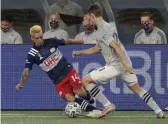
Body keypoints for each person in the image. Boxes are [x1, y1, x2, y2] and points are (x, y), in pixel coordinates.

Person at [73, 4, 165, 118]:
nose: (88, 21)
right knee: (137, 89)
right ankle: (159, 111)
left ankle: (107, 105)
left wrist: (125, 65)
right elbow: (98, 48)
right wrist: (80, 53)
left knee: (85, 81)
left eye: (89, 18)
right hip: (123, 62)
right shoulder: (108, 26)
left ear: (92, 16)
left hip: (115, 65)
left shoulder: (102, 30)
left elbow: (116, 46)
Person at [15, 25, 102, 117]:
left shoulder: (51, 41)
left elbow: (66, 41)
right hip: (58, 81)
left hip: (68, 71)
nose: (40, 40)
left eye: (41, 37)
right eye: (37, 38)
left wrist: (81, 41)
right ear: (32, 38)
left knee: (80, 93)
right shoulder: (32, 55)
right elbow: (26, 72)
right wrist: (21, 83)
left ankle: (91, 99)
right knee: (70, 98)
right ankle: (97, 111)